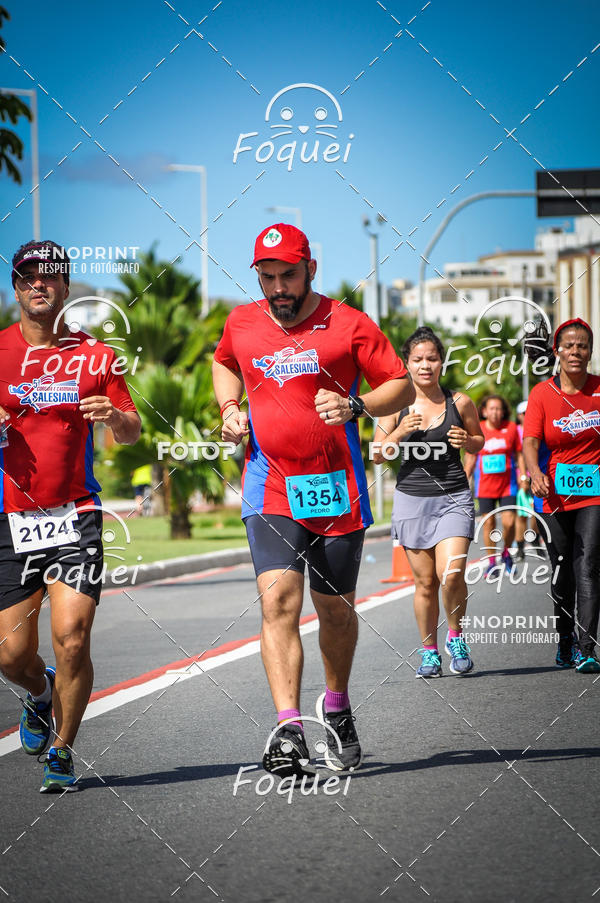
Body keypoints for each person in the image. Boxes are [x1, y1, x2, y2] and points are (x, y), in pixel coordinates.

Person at [212, 223, 414, 776]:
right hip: (269, 483)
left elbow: (398, 382)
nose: (278, 287)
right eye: (268, 276)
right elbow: (224, 361)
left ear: (310, 270)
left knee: (334, 610)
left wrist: (356, 406)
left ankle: (337, 704)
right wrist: (231, 410)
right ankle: (288, 727)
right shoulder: (243, 322)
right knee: (278, 603)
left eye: (288, 275)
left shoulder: (347, 322)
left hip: (335, 486)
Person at [0, 240, 141, 791]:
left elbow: (130, 430)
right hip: (10, 518)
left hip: (75, 516)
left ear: (64, 287)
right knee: (12, 654)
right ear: (16, 287)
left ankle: (62, 750)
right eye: (28, 276)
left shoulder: (97, 356)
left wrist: (114, 418)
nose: (40, 284)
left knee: (73, 637)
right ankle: (40, 694)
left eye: (51, 277)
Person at [373, 327, 484, 678]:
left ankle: (456, 636)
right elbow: (378, 453)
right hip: (412, 501)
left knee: (450, 575)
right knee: (424, 585)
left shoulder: (459, 402)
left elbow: (479, 440)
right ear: (407, 364)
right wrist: (401, 431)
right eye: (418, 359)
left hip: (453, 497)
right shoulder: (396, 406)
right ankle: (429, 651)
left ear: (441, 362)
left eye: (432, 359)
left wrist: (468, 440)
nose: (425, 365)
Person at [523, 317, 600, 672]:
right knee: (561, 570)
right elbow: (531, 442)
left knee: (588, 566)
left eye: (582, 345)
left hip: (594, 495)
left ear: (590, 351)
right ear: (556, 351)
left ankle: (587, 648)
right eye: (568, 345)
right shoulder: (542, 394)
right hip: (554, 495)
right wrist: (535, 471)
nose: (575, 351)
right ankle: (565, 637)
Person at [464, 395, 525, 577]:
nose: (495, 412)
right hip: (485, 486)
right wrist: (465, 477)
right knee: (488, 522)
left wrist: (523, 477)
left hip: (508, 485)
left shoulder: (511, 428)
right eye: (491, 408)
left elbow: (519, 454)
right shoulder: (478, 428)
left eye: (498, 408)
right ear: (484, 411)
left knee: (509, 522)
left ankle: (506, 552)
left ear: (503, 411)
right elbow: (471, 457)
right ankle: (492, 562)